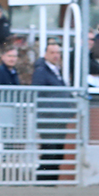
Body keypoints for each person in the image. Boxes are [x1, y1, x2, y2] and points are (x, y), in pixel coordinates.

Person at [32, 42, 71, 181]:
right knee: (50, 149)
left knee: (57, 150)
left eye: (58, 53)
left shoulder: (55, 71)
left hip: (58, 118)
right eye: (52, 52)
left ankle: (50, 179)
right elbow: (39, 94)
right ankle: (44, 179)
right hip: (49, 118)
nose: (56, 56)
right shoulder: (42, 71)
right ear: (45, 54)